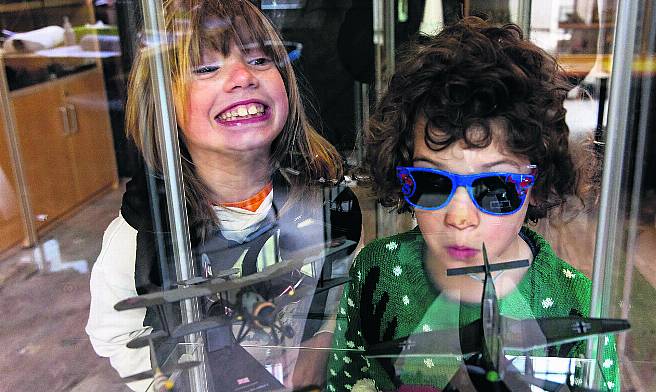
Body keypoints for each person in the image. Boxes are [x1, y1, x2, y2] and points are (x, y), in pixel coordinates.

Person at [327, 18, 619, 391]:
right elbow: (348, 379)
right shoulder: (377, 272)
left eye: (496, 187)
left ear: (539, 181)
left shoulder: (575, 302)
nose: (460, 217)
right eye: (432, 183)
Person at [85, 1, 361, 390]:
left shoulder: (326, 204)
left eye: (261, 60)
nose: (242, 76)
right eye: (206, 68)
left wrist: (318, 356)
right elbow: (115, 335)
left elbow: (342, 294)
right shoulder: (139, 238)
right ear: (162, 105)